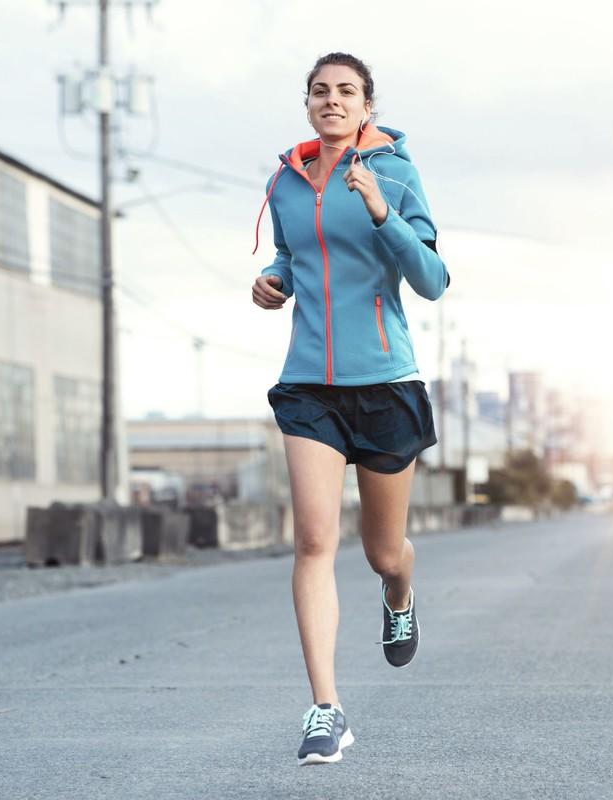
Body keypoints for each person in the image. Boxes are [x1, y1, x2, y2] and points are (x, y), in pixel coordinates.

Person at [250, 52, 450, 766]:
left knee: (380, 552)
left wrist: (380, 210)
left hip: (385, 384)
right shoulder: (285, 181)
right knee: (313, 542)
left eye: (346, 92)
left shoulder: (396, 173)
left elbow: (431, 280)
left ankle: (400, 592)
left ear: (368, 105)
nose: (331, 101)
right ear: (307, 103)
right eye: (319, 91)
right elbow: (290, 257)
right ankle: (325, 709)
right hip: (308, 386)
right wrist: (272, 281)